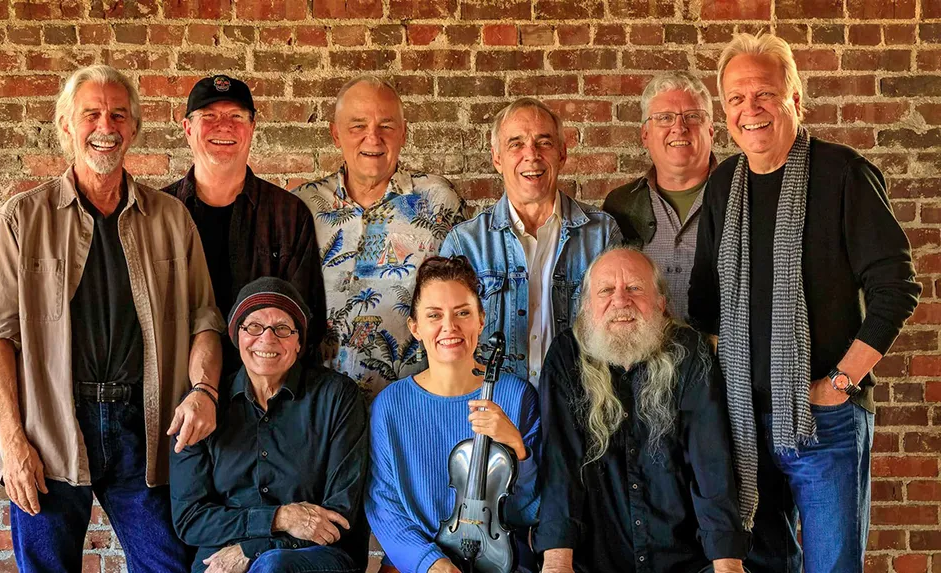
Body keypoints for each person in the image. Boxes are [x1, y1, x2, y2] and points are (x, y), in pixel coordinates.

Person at [0, 65, 224, 572]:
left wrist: (204, 389)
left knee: (169, 567)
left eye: (118, 114)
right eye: (91, 114)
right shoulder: (21, 220)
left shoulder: (172, 219)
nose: (105, 125)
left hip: (146, 430)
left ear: (133, 128)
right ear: (66, 126)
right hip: (50, 432)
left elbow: (205, 320)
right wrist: (11, 439)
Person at [688, 32, 921, 573]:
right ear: (725, 113)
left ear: (796, 98)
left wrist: (841, 383)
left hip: (826, 420)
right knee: (766, 564)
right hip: (747, 421)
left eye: (765, 93)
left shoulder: (843, 174)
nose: (751, 110)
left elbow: (896, 287)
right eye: (736, 99)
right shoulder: (724, 184)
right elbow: (707, 304)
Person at [536, 247, 748, 573]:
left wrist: (728, 566)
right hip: (597, 562)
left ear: (661, 303)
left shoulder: (689, 352)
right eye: (606, 290)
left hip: (682, 561)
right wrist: (555, 562)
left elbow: (711, 464)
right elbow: (559, 466)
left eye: (634, 288)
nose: (620, 301)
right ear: (588, 307)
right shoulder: (566, 357)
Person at [171, 277, 369, 573]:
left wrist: (253, 550)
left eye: (282, 329)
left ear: (299, 341)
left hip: (316, 555)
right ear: (237, 335)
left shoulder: (338, 397)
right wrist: (280, 518)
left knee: (273, 566)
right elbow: (190, 519)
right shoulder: (203, 409)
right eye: (253, 326)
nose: (267, 338)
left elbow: (339, 515)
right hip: (221, 558)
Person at [293, 75, 466, 399]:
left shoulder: (438, 200)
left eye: (386, 125)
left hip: (414, 406)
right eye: (357, 126)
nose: (372, 138)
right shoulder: (302, 206)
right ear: (335, 134)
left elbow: (466, 303)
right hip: (321, 411)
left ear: (404, 132)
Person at [366, 256, 540, 573]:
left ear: (481, 319)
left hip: (500, 563)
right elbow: (383, 506)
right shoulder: (390, 405)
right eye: (435, 316)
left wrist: (516, 447)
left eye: (463, 313)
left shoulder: (516, 397)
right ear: (415, 327)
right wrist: (432, 564)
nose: (450, 326)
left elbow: (530, 511)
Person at [441, 97, 620, 388]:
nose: (531, 155)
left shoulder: (601, 235)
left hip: (579, 411)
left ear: (562, 154)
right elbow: (444, 347)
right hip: (495, 408)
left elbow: (620, 332)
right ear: (497, 158)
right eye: (516, 144)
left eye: (544, 142)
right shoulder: (465, 245)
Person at [162, 75, 325, 376]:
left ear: (251, 128)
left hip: (263, 396)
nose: (223, 126)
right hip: (176, 392)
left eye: (236, 116)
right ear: (187, 128)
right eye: (209, 116)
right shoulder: (157, 214)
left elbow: (306, 323)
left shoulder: (288, 214)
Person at [601, 71, 717, 321]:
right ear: (645, 134)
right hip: (645, 357)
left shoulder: (739, 197)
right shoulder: (620, 205)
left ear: (711, 131)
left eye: (692, 117)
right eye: (665, 118)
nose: (679, 127)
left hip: (724, 356)